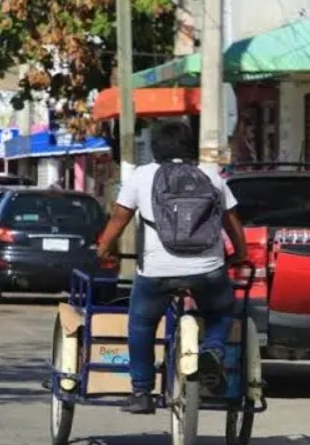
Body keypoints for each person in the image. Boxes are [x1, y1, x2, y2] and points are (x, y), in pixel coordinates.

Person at [97, 120, 248, 415]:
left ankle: (141, 390)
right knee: (221, 310)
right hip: (207, 269)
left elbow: (119, 219)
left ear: (155, 148)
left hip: (157, 272)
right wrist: (240, 253)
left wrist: (103, 249)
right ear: (188, 146)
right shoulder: (211, 175)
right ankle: (213, 350)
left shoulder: (142, 176)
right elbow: (231, 220)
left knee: (141, 322)